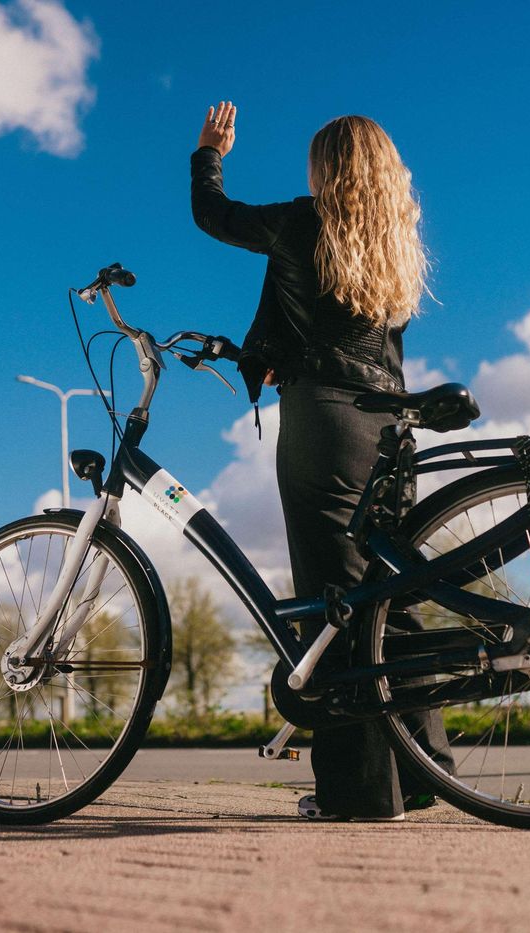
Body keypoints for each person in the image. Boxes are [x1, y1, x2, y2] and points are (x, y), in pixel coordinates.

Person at [191, 103, 454, 821]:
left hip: (327, 424)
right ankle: (425, 770)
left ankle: (360, 794)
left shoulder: (301, 221)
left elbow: (214, 215)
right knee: (390, 602)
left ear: (325, 168)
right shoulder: (396, 242)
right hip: (394, 427)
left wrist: (209, 152)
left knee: (335, 605)